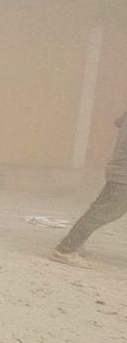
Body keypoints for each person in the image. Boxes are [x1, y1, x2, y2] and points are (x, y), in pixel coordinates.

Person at [51, 104, 127, 268]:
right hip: (124, 175)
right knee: (103, 212)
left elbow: (118, 122)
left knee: (101, 210)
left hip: (120, 172)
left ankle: (73, 243)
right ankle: (65, 249)